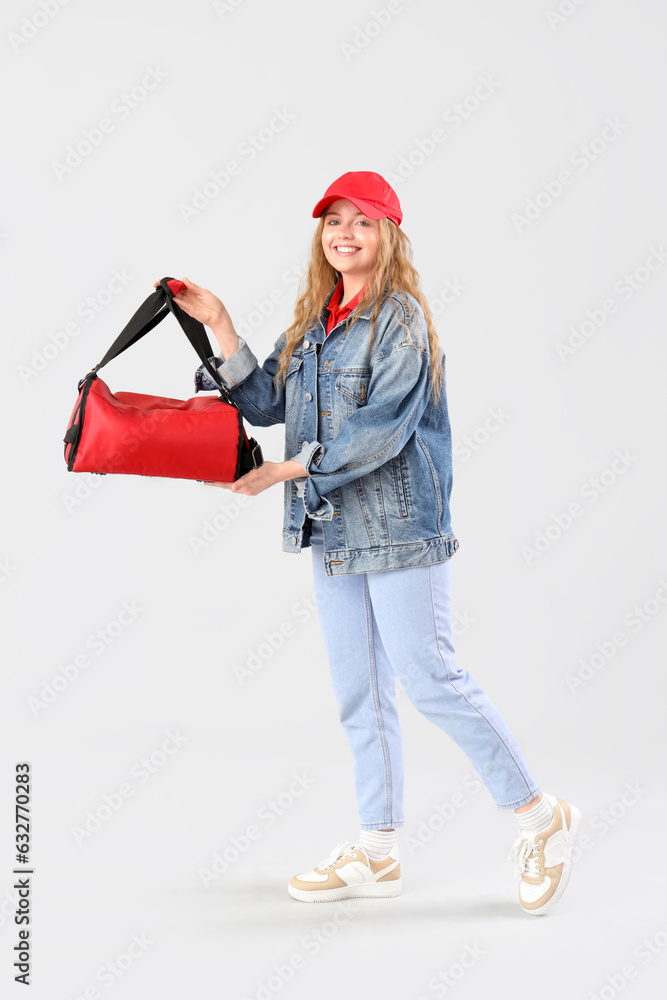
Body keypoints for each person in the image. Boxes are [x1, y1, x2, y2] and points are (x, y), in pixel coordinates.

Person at [159, 170, 581, 916]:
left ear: (388, 234)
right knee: (360, 693)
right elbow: (264, 402)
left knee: (431, 681)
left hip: (396, 526)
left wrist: (283, 473)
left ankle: (541, 818)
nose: (344, 234)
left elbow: (381, 430)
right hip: (332, 530)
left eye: (361, 222)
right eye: (332, 222)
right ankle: (377, 850)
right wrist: (219, 324)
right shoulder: (315, 321)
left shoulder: (401, 321)